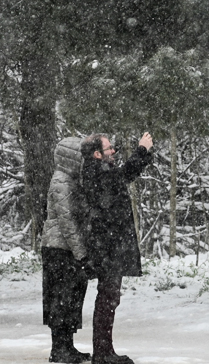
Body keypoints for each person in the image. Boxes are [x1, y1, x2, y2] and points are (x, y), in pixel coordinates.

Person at [81, 132, 153, 364]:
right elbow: (124, 175)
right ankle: (102, 354)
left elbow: (124, 174)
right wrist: (141, 151)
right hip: (107, 246)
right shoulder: (96, 172)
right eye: (109, 148)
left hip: (110, 244)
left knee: (110, 298)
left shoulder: (98, 171)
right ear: (96, 154)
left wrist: (144, 155)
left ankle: (105, 351)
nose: (113, 151)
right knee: (107, 298)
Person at [41, 137, 91, 363]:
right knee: (61, 298)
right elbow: (67, 221)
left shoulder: (70, 179)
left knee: (70, 298)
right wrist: (81, 252)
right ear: (71, 156)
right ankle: (59, 348)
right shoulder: (62, 182)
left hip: (64, 249)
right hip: (59, 249)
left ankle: (66, 346)